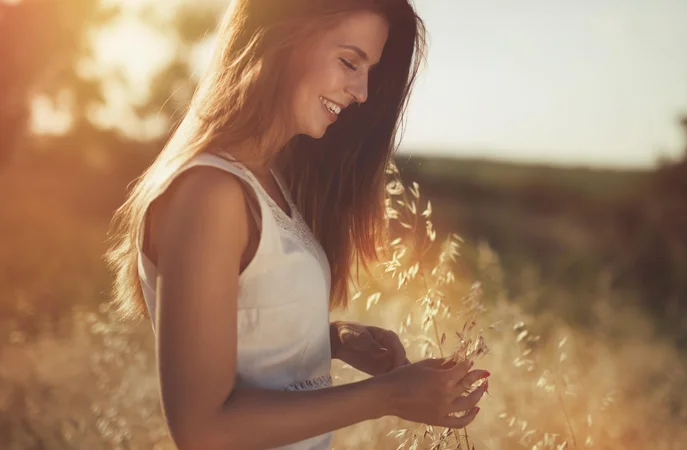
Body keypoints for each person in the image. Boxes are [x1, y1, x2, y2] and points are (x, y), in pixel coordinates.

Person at [104, 0, 490, 449]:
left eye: (369, 71)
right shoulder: (211, 193)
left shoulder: (269, 183)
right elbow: (202, 429)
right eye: (349, 61)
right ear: (277, 37)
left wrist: (330, 341)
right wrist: (390, 395)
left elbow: (244, 339)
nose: (362, 92)